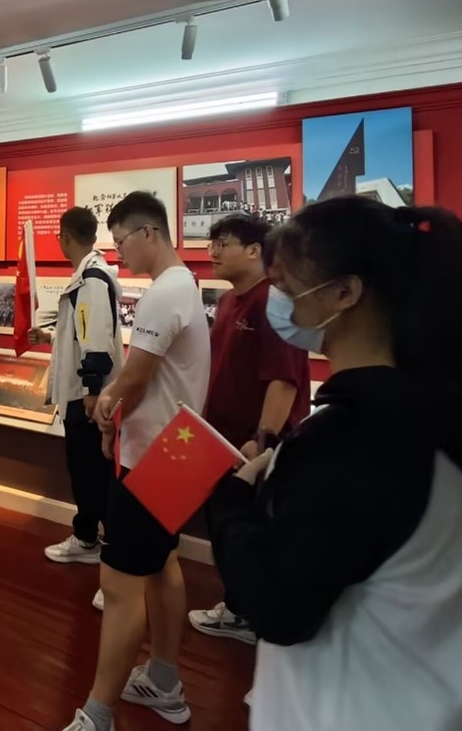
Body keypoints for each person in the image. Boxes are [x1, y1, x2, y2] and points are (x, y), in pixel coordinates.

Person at [206, 197, 462, 731]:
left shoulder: (353, 439)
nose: (277, 302)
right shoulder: (460, 414)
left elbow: (277, 606)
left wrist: (231, 501)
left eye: (285, 285)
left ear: (345, 292)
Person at [63, 191, 211, 731]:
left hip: (151, 458)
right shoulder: (184, 285)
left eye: (122, 240)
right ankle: (164, 682)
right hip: (178, 451)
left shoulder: (164, 291)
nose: (119, 252)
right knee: (161, 566)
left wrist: (106, 409)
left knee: (121, 587)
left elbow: (136, 376)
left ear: (149, 233)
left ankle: (97, 714)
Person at [189, 213, 310, 649]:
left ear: (255, 250)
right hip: (219, 439)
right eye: (212, 243)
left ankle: (248, 614)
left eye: (224, 243)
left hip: (253, 448)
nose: (213, 252)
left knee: (254, 528)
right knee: (225, 524)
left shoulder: (271, 303)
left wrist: (263, 441)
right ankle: (238, 607)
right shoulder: (227, 302)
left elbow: (283, 380)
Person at [30, 207, 125, 611]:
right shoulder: (89, 277)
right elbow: (81, 330)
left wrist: (91, 388)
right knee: (85, 471)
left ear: (64, 237)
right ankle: (87, 538)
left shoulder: (93, 279)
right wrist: (48, 333)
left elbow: (95, 337)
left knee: (95, 473)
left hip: (89, 396)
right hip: (84, 393)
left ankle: (114, 563)